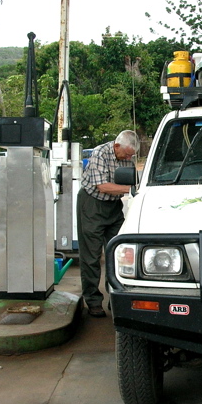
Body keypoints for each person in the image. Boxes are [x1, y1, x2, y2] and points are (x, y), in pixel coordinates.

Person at [77, 130, 139, 317]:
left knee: (119, 253)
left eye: (132, 155)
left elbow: (134, 179)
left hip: (113, 207)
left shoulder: (128, 156)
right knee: (91, 256)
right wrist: (132, 188)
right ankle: (93, 301)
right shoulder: (100, 153)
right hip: (92, 204)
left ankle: (115, 297)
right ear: (117, 145)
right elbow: (102, 186)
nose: (129, 158)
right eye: (127, 154)